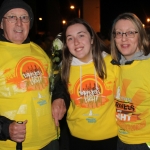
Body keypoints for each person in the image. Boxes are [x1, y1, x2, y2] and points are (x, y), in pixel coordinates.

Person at [0, 0, 66, 149]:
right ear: (1, 24)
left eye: (24, 17)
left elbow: (56, 82)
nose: (19, 23)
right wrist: (5, 129)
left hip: (50, 141)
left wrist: (59, 97)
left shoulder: (39, 51)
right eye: (11, 17)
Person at [59, 18, 118, 150]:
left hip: (111, 136)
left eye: (81, 35)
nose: (76, 42)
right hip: (77, 137)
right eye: (70, 38)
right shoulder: (64, 69)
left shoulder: (111, 63)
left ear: (92, 39)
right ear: (66, 44)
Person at [110, 12, 150, 150]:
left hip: (144, 142)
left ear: (141, 36)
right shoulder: (114, 66)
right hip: (121, 140)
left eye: (130, 32)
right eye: (119, 33)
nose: (124, 38)